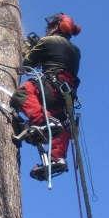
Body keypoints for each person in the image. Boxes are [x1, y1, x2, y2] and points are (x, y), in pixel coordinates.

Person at [11, 12, 81, 181]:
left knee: (22, 93)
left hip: (50, 86)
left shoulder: (48, 41)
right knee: (63, 124)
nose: (47, 29)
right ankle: (57, 158)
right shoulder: (76, 51)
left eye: (49, 27)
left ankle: (43, 121)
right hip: (66, 97)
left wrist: (28, 46)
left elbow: (26, 65)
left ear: (56, 26)